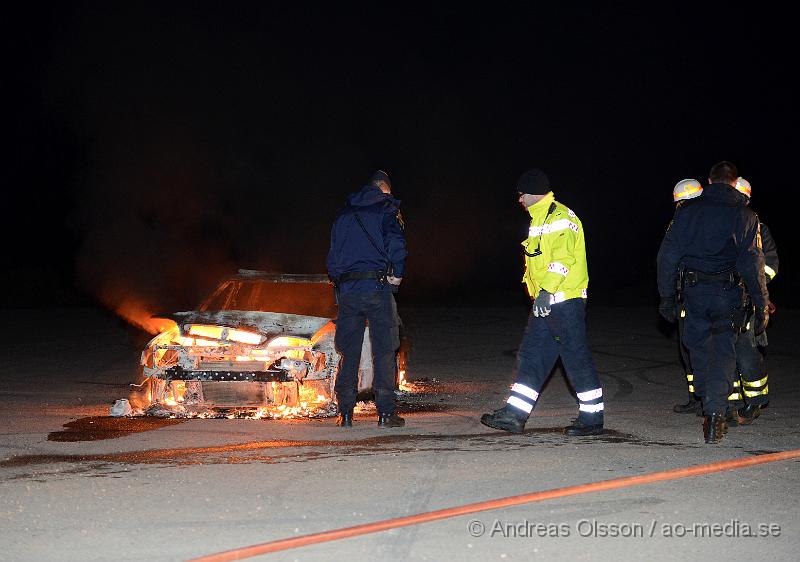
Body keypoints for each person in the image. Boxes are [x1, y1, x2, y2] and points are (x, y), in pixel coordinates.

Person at [480, 168, 604, 436]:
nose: (519, 200)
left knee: (575, 358)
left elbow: (563, 259)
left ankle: (592, 419)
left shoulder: (560, 217)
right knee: (531, 357)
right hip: (546, 304)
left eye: (520, 194)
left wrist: (546, 291)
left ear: (531, 192)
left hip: (564, 302)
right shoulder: (539, 219)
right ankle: (514, 415)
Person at [657, 161, 769, 444]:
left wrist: (667, 297)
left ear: (708, 181)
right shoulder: (746, 216)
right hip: (729, 295)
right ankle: (717, 412)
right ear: (734, 183)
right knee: (723, 352)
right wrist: (761, 303)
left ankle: (711, 408)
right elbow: (754, 264)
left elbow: (666, 258)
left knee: (699, 350)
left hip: (693, 294)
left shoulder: (686, 213)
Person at [326, 170, 407, 428]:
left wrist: (341, 281)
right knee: (383, 351)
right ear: (384, 188)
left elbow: (332, 258)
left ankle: (345, 413)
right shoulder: (386, 209)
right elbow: (396, 243)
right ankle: (385, 413)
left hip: (349, 291)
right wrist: (397, 273)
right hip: (377, 288)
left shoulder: (343, 214)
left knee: (348, 353)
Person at [730, 177, 779, 425]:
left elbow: (769, 264)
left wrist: (757, 289)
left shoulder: (758, 227)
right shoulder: (721, 223)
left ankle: (755, 401)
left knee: (746, 350)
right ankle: (729, 403)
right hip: (725, 296)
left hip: (747, 298)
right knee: (724, 351)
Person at [669, 179, 705, 416]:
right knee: (688, 349)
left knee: (705, 350)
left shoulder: (709, 221)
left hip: (705, 295)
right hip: (686, 294)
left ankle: (712, 401)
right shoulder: (678, 223)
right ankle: (696, 396)